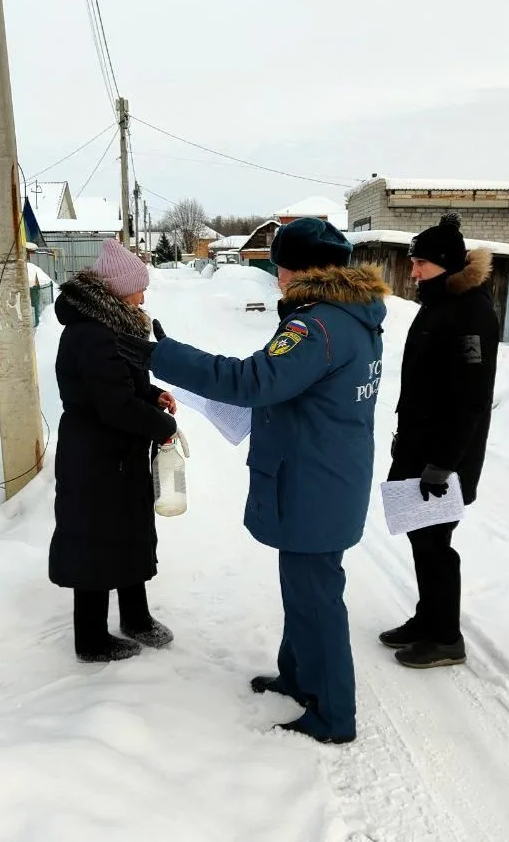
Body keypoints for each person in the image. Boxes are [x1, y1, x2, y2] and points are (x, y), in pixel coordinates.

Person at [118, 217, 389, 745]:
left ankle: (334, 714)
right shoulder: (350, 316)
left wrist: (161, 357)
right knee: (302, 587)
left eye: (279, 266)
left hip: (314, 481)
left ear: (301, 268)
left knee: (318, 598)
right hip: (326, 474)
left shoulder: (317, 326)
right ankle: (298, 675)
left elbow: (253, 380)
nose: (275, 277)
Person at [48, 239, 179, 664]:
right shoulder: (92, 333)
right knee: (94, 540)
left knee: (128, 534)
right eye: (140, 287)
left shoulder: (113, 325)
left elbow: (126, 383)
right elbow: (114, 404)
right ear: (120, 289)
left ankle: (136, 618)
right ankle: (90, 639)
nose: (145, 294)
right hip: (95, 457)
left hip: (117, 454)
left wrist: (153, 394)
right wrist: (164, 426)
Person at [381, 212, 500, 669]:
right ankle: (427, 619)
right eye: (413, 262)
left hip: (444, 458)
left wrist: (444, 463)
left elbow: (471, 399)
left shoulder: (471, 313)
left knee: (435, 542)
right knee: (419, 535)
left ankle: (446, 636)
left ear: (447, 265)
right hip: (419, 446)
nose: (412, 272)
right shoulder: (440, 301)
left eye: (421, 264)